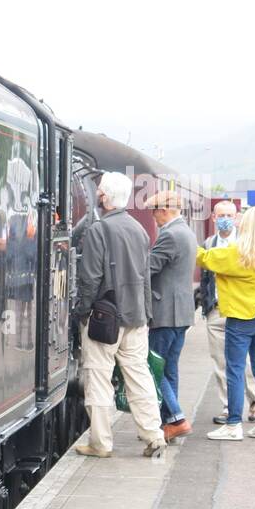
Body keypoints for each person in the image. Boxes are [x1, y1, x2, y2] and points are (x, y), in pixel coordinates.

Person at [73, 171, 166, 458]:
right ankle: (154, 435)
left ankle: (100, 443)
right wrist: (147, 313)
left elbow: (90, 279)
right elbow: (146, 276)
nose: (97, 196)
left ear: (105, 197)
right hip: (136, 316)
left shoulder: (98, 231)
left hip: (105, 317)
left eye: (100, 192)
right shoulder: (139, 229)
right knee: (139, 375)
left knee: (98, 376)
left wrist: (82, 312)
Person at [196, 206, 255, 441]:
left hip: (239, 317)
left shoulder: (239, 253)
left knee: (234, 370)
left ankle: (233, 424)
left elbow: (204, 258)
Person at [201, 201, 255, 422]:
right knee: (220, 361)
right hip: (216, 311)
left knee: (243, 361)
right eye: (221, 215)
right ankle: (228, 406)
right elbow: (206, 276)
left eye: (229, 214)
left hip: (240, 310)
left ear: (236, 218)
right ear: (214, 218)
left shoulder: (246, 243)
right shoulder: (209, 243)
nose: (225, 218)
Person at [145, 190, 197, 440]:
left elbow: (150, 268)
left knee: (153, 367)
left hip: (166, 313)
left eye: (154, 213)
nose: (154, 218)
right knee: (169, 369)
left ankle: (176, 418)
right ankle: (168, 423)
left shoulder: (170, 234)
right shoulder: (186, 232)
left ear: (164, 210)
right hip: (181, 313)